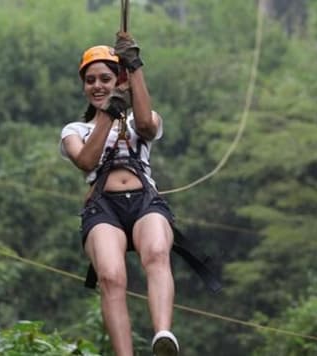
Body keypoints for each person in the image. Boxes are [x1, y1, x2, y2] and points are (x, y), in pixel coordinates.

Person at [60, 32, 179, 356]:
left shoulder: (141, 120)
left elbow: (146, 125)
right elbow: (85, 160)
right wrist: (107, 114)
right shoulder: (75, 130)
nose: (97, 85)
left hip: (144, 200)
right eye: (91, 80)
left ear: (119, 80)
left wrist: (135, 67)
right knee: (111, 277)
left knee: (155, 253)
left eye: (106, 78)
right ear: (84, 87)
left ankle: (163, 334)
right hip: (103, 207)